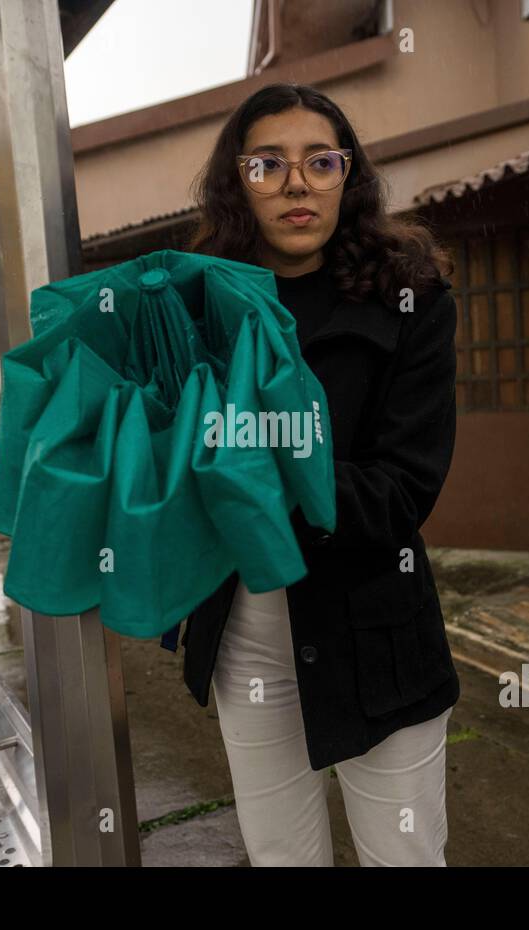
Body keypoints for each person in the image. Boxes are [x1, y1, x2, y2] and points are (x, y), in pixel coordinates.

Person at [181, 83, 461, 866]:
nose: (296, 183)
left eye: (320, 162)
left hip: (376, 634)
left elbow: (403, 491)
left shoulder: (412, 300)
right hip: (246, 637)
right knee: (280, 859)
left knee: (402, 858)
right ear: (238, 182)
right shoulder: (199, 304)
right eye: (267, 164)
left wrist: (259, 458)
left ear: (350, 176)